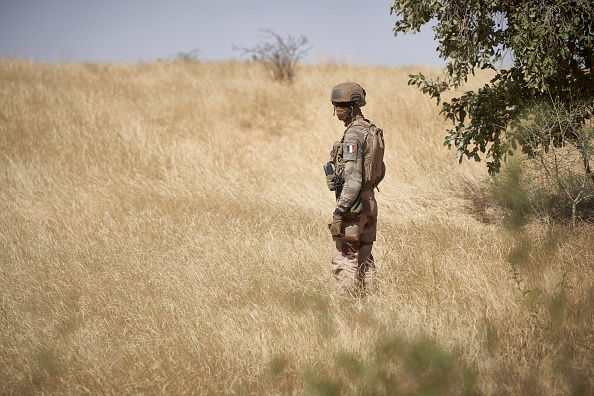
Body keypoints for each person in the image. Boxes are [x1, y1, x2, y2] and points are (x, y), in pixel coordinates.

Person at [325, 82, 384, 297]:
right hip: (369, 202)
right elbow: (379, 170)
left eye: (342, 105)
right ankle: (371, 304)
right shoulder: (371, 130)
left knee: (345, 258)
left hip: (354, 205)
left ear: (354, 105)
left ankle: (348, 309)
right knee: (364, 259)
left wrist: (340, 211)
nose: (338, 109)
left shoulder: (352, 136)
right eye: (336, 105)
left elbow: (354, 179)